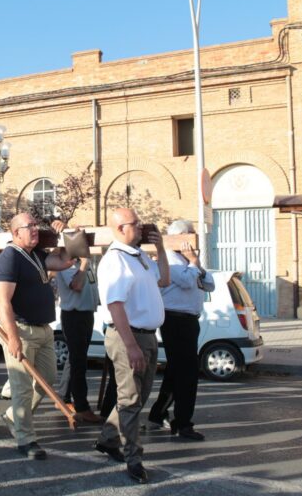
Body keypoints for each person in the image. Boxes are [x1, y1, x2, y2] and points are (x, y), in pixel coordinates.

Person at [92, 208, 169, 485]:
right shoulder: (115, 260)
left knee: (136, 397)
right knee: (131, 399)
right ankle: (134, 459)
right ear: (121, 228)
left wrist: (159, 246)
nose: (141, 226)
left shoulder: (139, 257)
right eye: (136, 223)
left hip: (147, 335)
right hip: (129, 336)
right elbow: (115, 305)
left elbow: (165, 280)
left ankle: (108, 440)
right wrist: (131, 345)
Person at [0, 213, 74, 460]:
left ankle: (12, 417)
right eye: (29, 227)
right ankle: (26, 439)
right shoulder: (9, 257)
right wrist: (12, 336)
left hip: (44, 329)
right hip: (21, 330)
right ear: (16, 232)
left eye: (36, 225)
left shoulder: (36, 254)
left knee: (47, 381)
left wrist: (65, 234)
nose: (35, 229)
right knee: (22, 387)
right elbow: (2, 299)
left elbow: (66, 261)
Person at [148, 219, 214, 441]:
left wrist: (196, 264)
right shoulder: (171, 259)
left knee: (176, 371)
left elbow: (210, 283)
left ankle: (158, 413)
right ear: (181, 237)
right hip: (175, 320)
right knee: (187, 373)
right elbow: (186, 281)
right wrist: (194, 262)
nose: (194, 240)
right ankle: (183, 423)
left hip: (188, 320)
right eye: (191, 235)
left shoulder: (188, 260)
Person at [56, 256, 101, 424]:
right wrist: (83, 263)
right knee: (78, 362)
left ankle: (63, 397)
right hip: (74, 314)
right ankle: (82, 407)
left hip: (85, 314)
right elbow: (76, 285)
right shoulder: (66, 264)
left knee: (74, 359)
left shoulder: (79, 263)